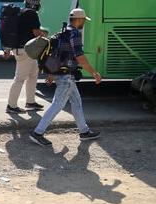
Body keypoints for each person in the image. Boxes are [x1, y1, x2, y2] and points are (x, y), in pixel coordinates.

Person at [29, 8, 102, 146]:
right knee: (57, 105)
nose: (84, 23)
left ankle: (84, 131)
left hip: (61, 74)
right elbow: (79, 56)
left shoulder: (63, 32)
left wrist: (51, 73)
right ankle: (37, 132)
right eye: (84, 20)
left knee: (76, 102)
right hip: (66, 76)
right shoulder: (74, 33)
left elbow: (56, 54)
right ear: (79, 19)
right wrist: (94, 72)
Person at [4, 0, 46, 114]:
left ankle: (30, 102)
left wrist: (7, 49)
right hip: (26, 50)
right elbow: (36, 32)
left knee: (33, 75)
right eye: (38, 1)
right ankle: (11, 106)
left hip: (23, 49)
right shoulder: (32, 14)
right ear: (35, 3)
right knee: (19, 78)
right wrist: (46, 38)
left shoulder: (21, 12)